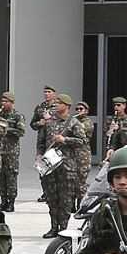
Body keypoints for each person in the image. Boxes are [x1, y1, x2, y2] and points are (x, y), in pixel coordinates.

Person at [39, 96, 91, 237]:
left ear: (67, 106)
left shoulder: (73, 123)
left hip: (67, 166)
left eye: (60, 103)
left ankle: (63, 228)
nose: (56, 105)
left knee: (65, 200)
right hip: (50, 166)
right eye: (56, 102)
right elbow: (41, 140)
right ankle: (53, 227)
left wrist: (65, 139)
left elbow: (82, 141)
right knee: (52, 198)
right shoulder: (49, 122)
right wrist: (39, 154)